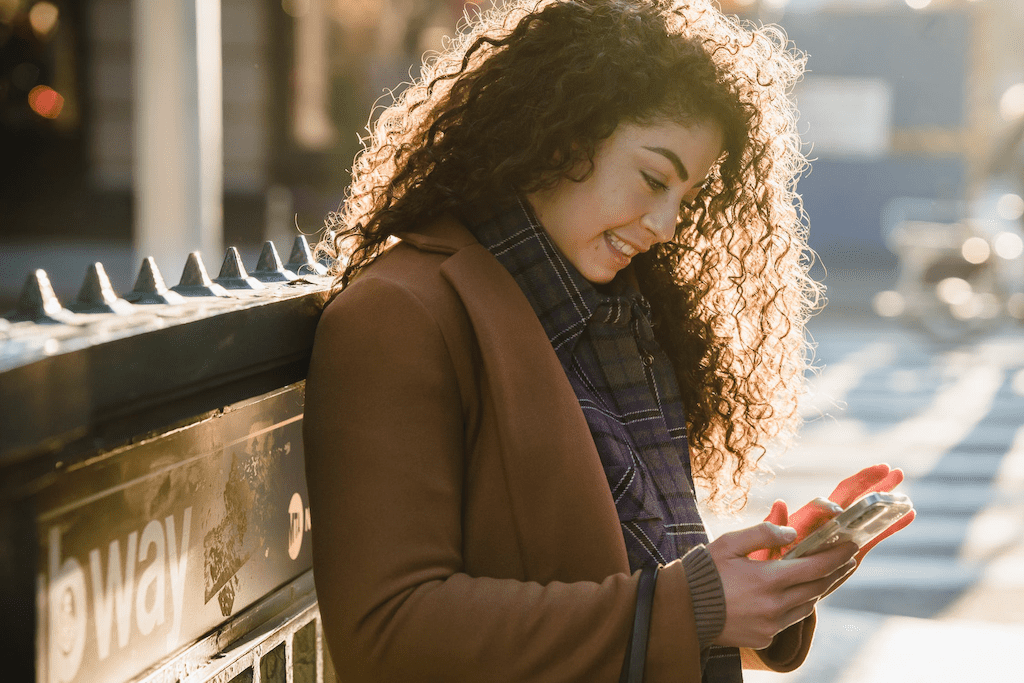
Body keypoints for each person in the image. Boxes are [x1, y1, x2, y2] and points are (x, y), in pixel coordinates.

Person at [302, 1, 915, 681]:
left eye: (684, 197)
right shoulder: (402, 314)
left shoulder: (620, 319)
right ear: (560, 137)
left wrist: (758, 589)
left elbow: (619, 585)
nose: (664, 222)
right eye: (654, 178)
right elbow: (389, 633)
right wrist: (696, 605)